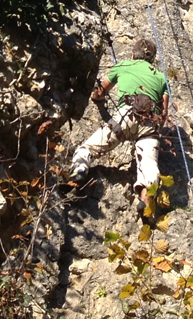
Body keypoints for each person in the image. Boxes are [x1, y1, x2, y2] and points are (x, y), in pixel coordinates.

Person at [68, 38, 169, 210]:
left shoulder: (123, 66)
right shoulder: (160, 77)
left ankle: (79, 170)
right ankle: (147, 199)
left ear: (132, 53)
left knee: (90, 147)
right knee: (149, 163)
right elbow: (164, 112)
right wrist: (155, 131)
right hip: (150, 122)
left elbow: (101, 91)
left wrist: (95, 97)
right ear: (152, 59)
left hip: (127, 115)